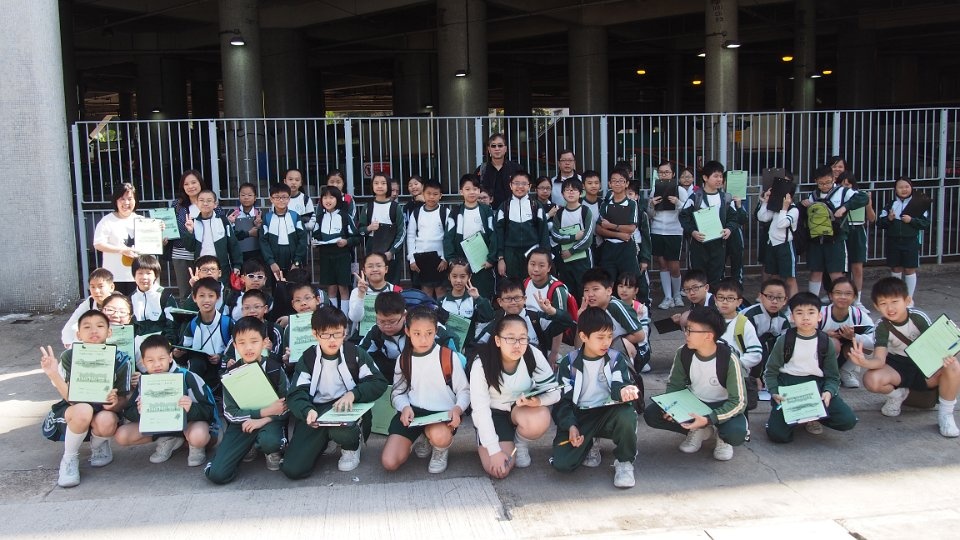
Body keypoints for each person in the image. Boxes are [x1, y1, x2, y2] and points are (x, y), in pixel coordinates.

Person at [281, 307, 389, 479]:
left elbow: (378, 382)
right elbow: (296, 393)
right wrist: (307, 410)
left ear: (345, 332)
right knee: (293, 469)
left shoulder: (354, 353)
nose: (332, 340)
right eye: (325, 334)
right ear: (315, 334)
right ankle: (325, 438)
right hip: (317, 411)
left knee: (342, 430)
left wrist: (353, 394)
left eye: (337, 334)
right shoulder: (308, 358)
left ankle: (351, 446)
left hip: (346, 407)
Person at [847, 277, 960, 437]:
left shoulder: (918, 317)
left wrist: (947, 354)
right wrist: (863, 362)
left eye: (895, 301)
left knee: (953, 365)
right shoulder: (881, 326)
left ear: (907, 300)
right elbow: (880, 360)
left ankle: (946, 415)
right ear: (876, 306)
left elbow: (936, 346)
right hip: (897, 367)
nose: (890, 308)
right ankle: (897, 395)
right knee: (871, 380)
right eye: (883, 303)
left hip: (924, 365)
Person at [40, 310, 132, 487]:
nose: (94, 331)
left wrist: (114, 403)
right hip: (75, 408)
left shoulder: (121, 359)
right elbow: (71, 399)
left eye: (100, 326)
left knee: (107, 419)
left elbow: (123, 399)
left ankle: (98, 445)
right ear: (78, 334)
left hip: (102, 410)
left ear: (109, 332)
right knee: (84, 409)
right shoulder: (69, 356)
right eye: (87, 327)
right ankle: (69, 459)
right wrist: (53, 374)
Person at [551, 307, 640, 488]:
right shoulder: (569, 362)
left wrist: (624, 391)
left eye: (609, 336)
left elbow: (619, 385)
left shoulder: (616, 359)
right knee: (562, 463)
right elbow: (562, 402)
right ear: (583, 336)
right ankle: (590, 442)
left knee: (627, 414)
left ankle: (624, 462)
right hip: (580, 416)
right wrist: (571, 425)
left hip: (608, 413)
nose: (606, 342)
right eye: (600, 337)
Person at [643, 306, 747, 461]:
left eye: (690, 330)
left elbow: (738, 401)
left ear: (708, 336)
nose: (686, 334)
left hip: (722, 404)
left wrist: (709, 418)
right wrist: (671, 407)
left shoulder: (728, 358)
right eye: (686, 329)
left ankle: (722, 437)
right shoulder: (683, 352)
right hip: (694, 403)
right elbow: (675, 385)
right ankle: (699, 430)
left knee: (736, 433)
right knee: (653, 414)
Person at [381, 307, 470, 474]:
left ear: (436, 331)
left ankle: (439, 448)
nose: (423, 339)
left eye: (429, 333)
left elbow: (464, 391)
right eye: (417, 333)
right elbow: (398, 392)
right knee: (389, 461)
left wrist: (458, 409)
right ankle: (422, 435)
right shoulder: (404, 359)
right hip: (414, 414)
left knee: (439, 436)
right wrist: (404, 407)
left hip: (441, 415)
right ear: (407, 331)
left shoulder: (448, 356)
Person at [470, 314, 559, 479]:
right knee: (499, 470)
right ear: (498, 340)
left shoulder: (532, 354)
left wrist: (539, 401)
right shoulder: (482, 363)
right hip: (494, 413)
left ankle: (520, 442)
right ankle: (497, 440)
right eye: (510, 338)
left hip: (520, 409)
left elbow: (555, 391)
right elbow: (480, 410)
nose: (517, 344)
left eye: (522, 338)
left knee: (540, 417)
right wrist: (494, 451)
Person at [764, 292, 859, 442]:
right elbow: (770, 372)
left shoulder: (825, 342)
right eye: (799, 313)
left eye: (811, 312)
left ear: (819, 316)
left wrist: (828, 392)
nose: (806, 318)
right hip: (789, 386)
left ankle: (815, 416)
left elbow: (833, 376)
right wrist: (774, 392)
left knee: (847, 420)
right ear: (792, 317)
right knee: (778, 435)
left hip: (816, 386)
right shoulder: (785, 340)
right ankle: (796, 418)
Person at [205, 317, 289, 484]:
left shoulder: (274, 368)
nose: (248, 347)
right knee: (217, 475)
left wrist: (264, 419)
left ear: (264, 342)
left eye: (254, 341)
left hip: (271, 421)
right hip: (242, 424)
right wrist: (261, 412)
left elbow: (287, 405)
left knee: (270, 441)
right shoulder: (230, 374)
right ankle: (246, 447)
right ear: (235, 346)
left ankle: (270, 450)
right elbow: (230, 413)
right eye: (242, 343)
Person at [114, 335, 218, 467]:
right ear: (143, 362)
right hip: (160, 425)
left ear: (170, 357)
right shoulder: (144, 381)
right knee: (122, 435)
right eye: (150, 360)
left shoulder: (188, 377)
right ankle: (168, 439)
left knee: (198, 436)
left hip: (190, 424)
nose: (157, 364)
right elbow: (129, 412)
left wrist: (191, 408)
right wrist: (140, 411)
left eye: (161, 359)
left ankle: (196, 447)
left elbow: (209, 411)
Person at [801, 164, 868, 298]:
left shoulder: (843, 191)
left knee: (836, 273)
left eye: (828, 182)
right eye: (821, 183)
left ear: (833, 179)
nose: (825, 186)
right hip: (816, 239)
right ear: (816, 181)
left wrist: (845, 207)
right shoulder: (813, 195)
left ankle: (841, 300)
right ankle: (812, 301)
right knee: (816, 272)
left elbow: (863, 198)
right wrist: (805, 204)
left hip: (836, 239)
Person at [471, 279, 573, 366]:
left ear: (524, 299)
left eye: (517, 298)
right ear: (500, 302)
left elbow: (566, 322)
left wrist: (552, 311)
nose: (513, 302)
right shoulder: (496, 323)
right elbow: (475, 348)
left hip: (536, 371)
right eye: (508, 298)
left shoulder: (536, 319)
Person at [678, 161, 741, 291]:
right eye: (715, 176)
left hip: (719, 245)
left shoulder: (726, 198)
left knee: (716, 280)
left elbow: (734, 218)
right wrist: (693, 232)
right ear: (705, 178)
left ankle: (712, 303)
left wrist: (729, 229)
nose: (719, 179)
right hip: (699, 245)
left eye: (721, 176)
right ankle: (699, 303)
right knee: (698, 279)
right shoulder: (695, 197)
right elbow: (683, 216)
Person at [578, 268, 650, 375]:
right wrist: (580, 320)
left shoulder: (615, 306)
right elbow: (580, 345)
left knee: (621, 344)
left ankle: (628, 378)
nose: (590, 294)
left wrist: (611, 343)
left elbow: (640, 336)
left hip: (637, 350)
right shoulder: (589, 309)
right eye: (586, 290)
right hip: (609, 348)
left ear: (609, 291)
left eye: (595, 289)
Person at [171, 277, 232, 392]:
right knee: (196, 362)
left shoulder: (227, 323)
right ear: (194, 298)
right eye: (202, 296)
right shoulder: (192, 324)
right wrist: (177, 354)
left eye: (211, 296)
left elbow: (235, 349)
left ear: (218, 298)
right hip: (198, 368)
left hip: (221, 368)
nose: (206, 300)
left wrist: (220, 357)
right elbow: (185, 347)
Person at [443, 173, 498, 299]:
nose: (472, 192)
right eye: (467, 189)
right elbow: (448, 237)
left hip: (483, 262)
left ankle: (484, 311)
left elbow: (494, 235)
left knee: (483, 293)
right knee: (462, 294)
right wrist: (451, 260)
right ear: (461, 191)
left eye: (475, 189)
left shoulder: (486, 211)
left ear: (479, 190)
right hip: (460, 262)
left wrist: (491, 259)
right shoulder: (455, 212)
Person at [171, 170, 221, 300]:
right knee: (186, 293)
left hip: (205, 254)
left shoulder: (210, 200)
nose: (190, 186)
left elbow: (220, 223)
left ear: (200, 183)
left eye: (194, 182)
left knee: (207, 291)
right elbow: (171, 226)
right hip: (181, 253)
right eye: (186, 184)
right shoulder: (177, 204)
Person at [878, 176, 929, 300]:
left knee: (910, 269)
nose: (904, 189)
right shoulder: (890, 204)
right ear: (895, 189)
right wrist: (889, 219)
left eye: (907, 187)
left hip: (910, 241)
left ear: (911, 188)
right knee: (895, 268)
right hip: (893, 241)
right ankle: (897, 297)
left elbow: (925, 223)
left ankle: (909, 299)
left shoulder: (918, 205)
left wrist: (911, 220)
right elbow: (880, 223)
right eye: (900, 187)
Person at [714, 279, 763, 409]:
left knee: (737, 407)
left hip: (737, 377)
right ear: (715, 299)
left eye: (730, 298)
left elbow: (756, 353)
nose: (725, 302)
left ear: (739, 302)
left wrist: (735, 365)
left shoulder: (743, 323)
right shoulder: (709, 321)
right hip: (712, 376)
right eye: (721, 297)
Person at [819, 277, 875, 389]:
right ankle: (827, 375)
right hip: (821, 358)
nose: (843, 297)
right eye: (838, 293)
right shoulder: (820, 313)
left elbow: (873, 343)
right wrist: (824, 336)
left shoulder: (859, 315)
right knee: (833, 343)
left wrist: (854, 336)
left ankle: (845, 372)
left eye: (848, 293)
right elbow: (802, 336)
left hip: (846, 355)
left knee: (859, 344)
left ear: (854, 297)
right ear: (830, 295)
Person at [523, 248, 575, 365]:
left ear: (549, 267)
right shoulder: (526, 282)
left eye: (541, 265)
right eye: (532, 264)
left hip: (547, 337)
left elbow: (561, 323)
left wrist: (554, 353)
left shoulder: (557, 289)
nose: (536, 269)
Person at [314, 185, 361, 316]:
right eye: (325, 197)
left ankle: (344, 317)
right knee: (331, 287)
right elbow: (316, 235)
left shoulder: (345, 217)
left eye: (331, 197)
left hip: (342, 255)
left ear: (338, 199)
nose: (328, 200)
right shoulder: (320, 218)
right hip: (325, 256)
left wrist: (346, 242)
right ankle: (333, 316)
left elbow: (357, 237)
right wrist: (315, 242)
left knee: (343, 287)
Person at [741, 278, 793, 396]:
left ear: (785, 300)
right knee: (761, 345)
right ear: (760, 297)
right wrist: (755, 375)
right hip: (746, 349)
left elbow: (787, 344)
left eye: (779, 298)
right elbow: (748, 344)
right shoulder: (751, 315)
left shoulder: (783, 319)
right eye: (770, 297)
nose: (774, 301)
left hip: (767, 350)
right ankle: (755, 378)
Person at [181, 189, 243, 287]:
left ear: (215, 204)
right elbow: (190, 247)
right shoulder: (193, 222)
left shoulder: (222, 221)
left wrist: (237, 265)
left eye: (209, 200)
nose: (205, 203)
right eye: (201, 200)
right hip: (201, 268)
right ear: (196, 203)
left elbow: (233, 244)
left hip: (221, 267)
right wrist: (190, 232)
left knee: (222, 292)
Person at [495, 170, 549, 281]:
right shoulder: (504, 207)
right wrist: (500, 258)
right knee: (511, 286)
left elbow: (544, 234)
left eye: (524, 183)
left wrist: (545, 258)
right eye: (516, 183)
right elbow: (498, 235)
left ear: (529, 186)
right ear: (510, 185)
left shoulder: (536, 206)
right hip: (510, 255)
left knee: (531, 284)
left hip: (532, 254)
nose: (520, 187)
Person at [647, 161, 686, 309]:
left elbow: (686, 212)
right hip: (657, 230)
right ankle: (667, 297)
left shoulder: (680, 190)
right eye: (661, 172)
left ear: (673, 174)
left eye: (667, 172)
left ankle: (677, 295)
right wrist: (651, 205)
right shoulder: (654, 190)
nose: (664, 175)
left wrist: (678, 203)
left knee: (674, 265)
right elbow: (650, 214)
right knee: (662, 264)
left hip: (674, 231)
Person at [93, 182, 143, 295]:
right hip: (114, 276)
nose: (126, 203)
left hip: (137, 275)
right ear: (116, 201)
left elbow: (151, 244)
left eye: (130, 199)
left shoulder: (141, 220)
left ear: (135, 200)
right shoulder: (107, 221)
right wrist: (121, 250)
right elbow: (98, 244)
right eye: (122, 199)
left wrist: (160, 235)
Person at [549, 177, 595, 300]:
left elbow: (587, 238)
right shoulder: (559, 213)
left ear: (581, 193)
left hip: (583, 259)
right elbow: (555, 235)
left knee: (585, 289)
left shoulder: (585, 211)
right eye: (567, 190)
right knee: (569, 292)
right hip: (565, 259)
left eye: (574, 189)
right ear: (562, 193)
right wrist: (573, 237)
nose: (570, 192)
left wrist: (572, 250)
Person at [837, 171, 876, 309]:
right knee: (841, 268)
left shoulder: (860, 196)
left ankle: (857, 300)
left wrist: (868, 203)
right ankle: (840, 297)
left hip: (857, 230)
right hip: (841, 231)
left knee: (857, 267)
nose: (845, 188)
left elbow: (872, 218)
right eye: (842, 185)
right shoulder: (835, 196)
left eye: (848, 185)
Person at [596, 168, 641, 284]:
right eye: (614, 181)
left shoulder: (632, 204)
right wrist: (619, 234)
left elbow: (631, 228)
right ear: (609, 184)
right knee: (608, 282)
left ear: (627, 184)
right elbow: (599, 229)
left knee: (628, 282)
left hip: (626, 248)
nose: (617, 183)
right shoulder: (605, 204)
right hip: (608, 247)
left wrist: (611, 225)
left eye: (621, 181)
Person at [406, 179, 449, 298]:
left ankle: (441, 311)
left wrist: (445, 258)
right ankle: (427, 311)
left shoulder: (445, 212)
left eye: (435, 194)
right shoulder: (416, 213)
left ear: (440, 195)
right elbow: (410, 236)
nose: (431, 197)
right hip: (421, 258)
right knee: (426, 291)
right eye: (428, 193)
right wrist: (412, 258)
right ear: (423, 194)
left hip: (440, 259)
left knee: (441, 290)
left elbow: (449, 237)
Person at [756, 185, 800, 298]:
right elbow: (762, 217)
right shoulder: (776, 207)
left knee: (790, 278)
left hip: (785, 246)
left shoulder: (793, 210)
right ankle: (776, 301)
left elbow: (781, 224)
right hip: (772, 244)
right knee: (774, 277)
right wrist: (765, 202)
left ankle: (793, 304)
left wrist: (784, 208)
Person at [362, 172, 406, 284]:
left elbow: (401, 232)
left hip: (390, 251)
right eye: (376, 183)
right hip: (372, 250)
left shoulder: (395, 207)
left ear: (388, 186)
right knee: (373, 285)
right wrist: (369, 228)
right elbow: (360, 230)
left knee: (392, 285)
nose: (379, 186)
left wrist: (392, 251)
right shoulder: (368, 207)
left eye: (383, 183)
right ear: (372, 186)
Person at [222, 289, 284, 367]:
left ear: (265, 309)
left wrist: (271, 350)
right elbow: (225, 358)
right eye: (247, 308)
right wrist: (229, 362)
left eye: (256, 307)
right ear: (242, 310)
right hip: (243, 372)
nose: (252, 311)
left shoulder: (273, 329)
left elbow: (281, 360)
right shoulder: (239, 330)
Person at [439, 259, 494, 345]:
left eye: (462, 276)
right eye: (454, 276)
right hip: (448, 347)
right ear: (449, 277)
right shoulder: (442, 301)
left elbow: (489, 316)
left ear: (469, 277)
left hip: (469, 347)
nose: (458, 280)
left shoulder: (473, 300)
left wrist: (478, 298)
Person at [347, 252, 403, 337]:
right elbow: (355, 318)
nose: (375, 269)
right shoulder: (356, 291)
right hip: (362, 336)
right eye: (370, 266)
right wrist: (361, 294)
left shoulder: (396, 291)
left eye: (379, 266)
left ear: (386, 269)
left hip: (389, 335)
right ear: (364, 271)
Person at [261, 182, 308, 283]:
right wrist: (271, 262)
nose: (281, 200)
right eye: (277, 197)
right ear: (271, 199)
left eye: (284, 197)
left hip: (293, 259)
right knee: (278, 287)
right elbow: (263, 241)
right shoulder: (267, 218)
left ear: (289, 198)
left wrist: (296, 262)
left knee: (295, 286)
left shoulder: (295, 216)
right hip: (275, 260)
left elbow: (303, 239)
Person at [61, 268, 115, 349]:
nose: (96, 291)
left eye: (100, 286)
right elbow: (73, 322)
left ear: (111, 287)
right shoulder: (90, 301)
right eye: (92, 287)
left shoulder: (119, 302)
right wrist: (69, 342)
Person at [129, 255, 177, 337]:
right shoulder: (131, 298)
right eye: (140, 273)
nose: (144, 277)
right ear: (134, 275)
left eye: (148, 273)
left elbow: (172, 324)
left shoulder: (165, 295)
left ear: (155, 275)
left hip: (160, 341)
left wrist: (168, 342)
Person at [477, 133, 522, 209]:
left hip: (512, 211)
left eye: (500, 145)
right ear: (489, 149)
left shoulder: (516, 169)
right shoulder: (481, 170)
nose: (497, 149)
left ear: (505, 149)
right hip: (488, 212)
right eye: (493, 146)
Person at [228, 182, 263, 263]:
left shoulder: (259, 213)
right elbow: (229, 235)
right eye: (243, 195)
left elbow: (264, 236)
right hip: (237, 254)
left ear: (255, 198)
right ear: (239, 197)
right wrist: (231, 223)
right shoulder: (233, 213)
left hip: (256, 254)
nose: (246, 197)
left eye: (250, 195)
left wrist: (259, 226)